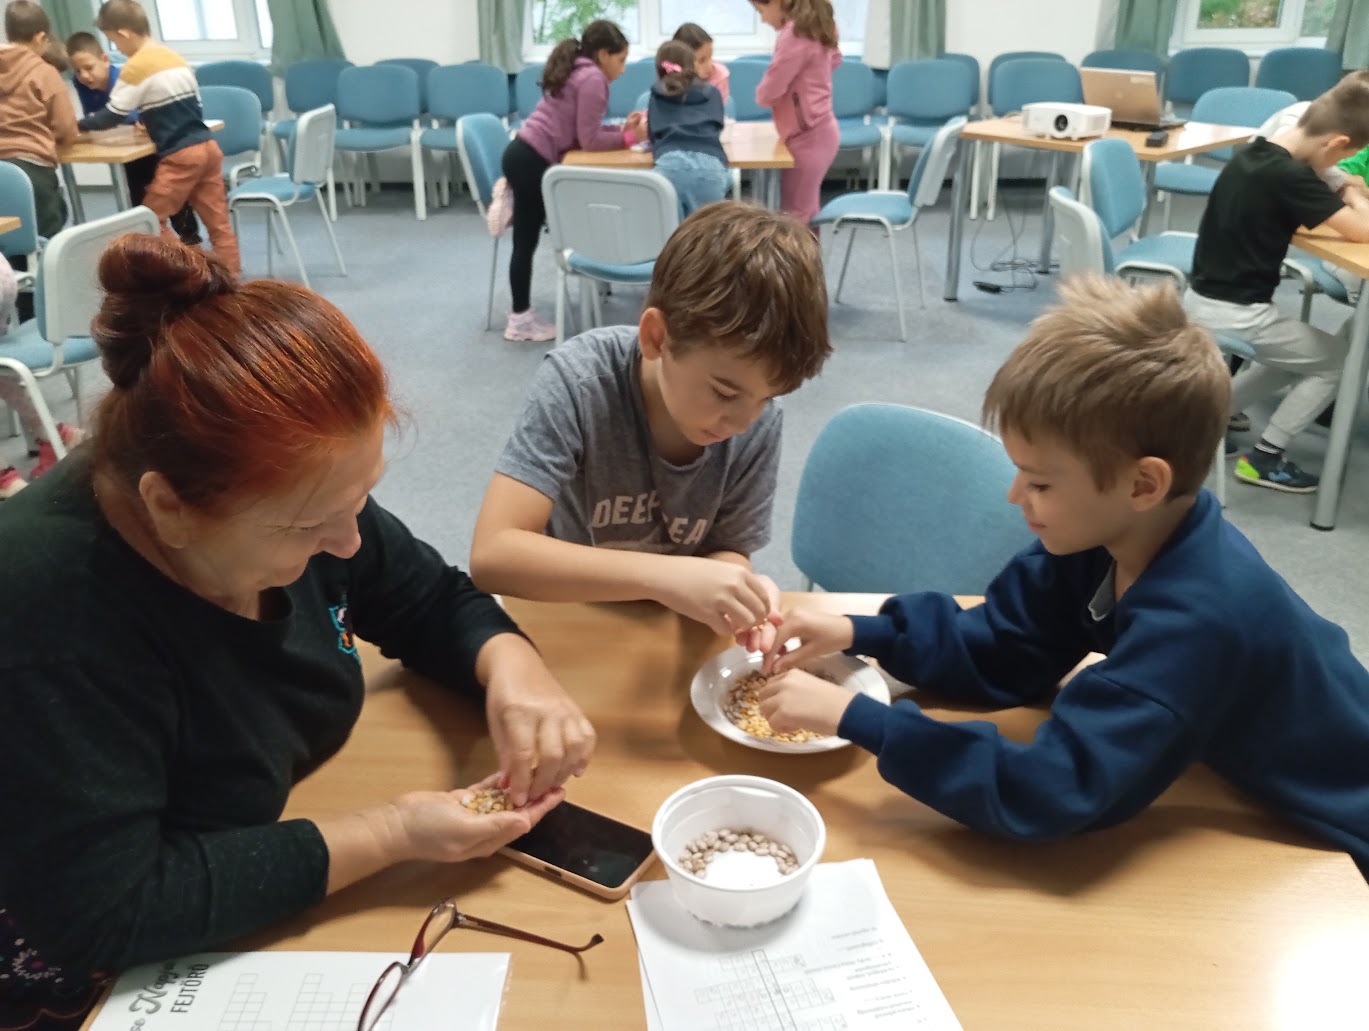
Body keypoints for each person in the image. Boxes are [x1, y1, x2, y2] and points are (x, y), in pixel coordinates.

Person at [0, 235, 596, 1031]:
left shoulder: (294, 488)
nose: (349, 543)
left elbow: (425, 596)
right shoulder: (50, 617)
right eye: (313, 525)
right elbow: (109, 908)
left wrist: (514, 669)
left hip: (262, 849)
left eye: (361, 500)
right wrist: (391, 830)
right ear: (170, 509)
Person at [757, 275, 1369, 879]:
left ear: (1142, 484)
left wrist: (858, 718)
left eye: (1041, 483)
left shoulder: (1200, 622)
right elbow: (1005, 647)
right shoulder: (1108, 535)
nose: (1014, 495)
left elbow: (1052, 790)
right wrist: (860, 631)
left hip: (1341, 821)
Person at [471, 201, 831, 650]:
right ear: (657, 338)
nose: (744, 422)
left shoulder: (756, 419)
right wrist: (665, 577)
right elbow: (493, 554)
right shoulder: (579, 382)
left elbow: (727, 548)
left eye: (767, 398)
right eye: (724, 393)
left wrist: (737, 585)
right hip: (570, 617)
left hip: (669, 633)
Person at [1183, 72, 1369, 493]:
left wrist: (1339, 180)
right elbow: (1362, 230)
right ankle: (1266, 456)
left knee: (1298, 355)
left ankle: (1203, 422)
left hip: (1204, 299)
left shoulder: (1253, 156)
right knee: (1338, 361)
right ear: (1336, 144)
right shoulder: (1293, 178)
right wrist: (1354, 191)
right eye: (1345, 157)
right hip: (1238, 315)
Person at [496, 20, 643, 343]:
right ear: (603, 55)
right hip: (532, 161)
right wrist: (631, 137)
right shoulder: (594, 79)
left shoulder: (578, 69)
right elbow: (590, 140)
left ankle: (521, 313)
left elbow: (581, 132)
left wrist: (622, 132)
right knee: (526, 241)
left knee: (526, 240)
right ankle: (519, 321)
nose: (623, 69)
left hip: (523, 153)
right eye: (620, 60)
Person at [76, 0, 240, 275]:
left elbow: (113, 114)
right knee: (219, 227)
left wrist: (80, 125)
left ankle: (187, 272)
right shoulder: (175, 59)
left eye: (114, 40)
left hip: (181, 155)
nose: (116, 48)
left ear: (124, 33)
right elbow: (194, 106)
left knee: (149, 221)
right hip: (208, 147)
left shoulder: (136, 67)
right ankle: (231, 281)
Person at [65, 30, 200, 245]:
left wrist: (102, 120)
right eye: (78, 71)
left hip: (153, 146)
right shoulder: (80, 83)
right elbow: (96, 115)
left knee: (168, 192)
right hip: (125, 148)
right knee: (138, 198)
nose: (84, 76)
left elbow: (126, 115)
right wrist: (100, 120)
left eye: (89, 68)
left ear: (104, 59)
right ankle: (149, 244)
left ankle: (190, 238)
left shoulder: (123, 78)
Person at [0, 1, 78, 322]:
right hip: (32, 168)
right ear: (40, 36)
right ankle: (51, 317)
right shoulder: (43, 71)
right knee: (46, 240)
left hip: (1, 170)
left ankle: (21, 312)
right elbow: (67, 129)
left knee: (9, 241)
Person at [750, 0, 841, 224]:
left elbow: (767, 93)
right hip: (819, 129)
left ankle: (804, 250)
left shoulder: (795, 34)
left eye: (761, 11)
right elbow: (836, 59)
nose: (762, 19)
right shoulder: (817, 24)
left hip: (808, 135)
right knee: (804, 212)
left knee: (795, 217)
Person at [648, 40, 729, 217]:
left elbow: (653, 134)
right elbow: (717, 126)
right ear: (693, 66)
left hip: (670, 166)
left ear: (659, 70)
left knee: (670, 229)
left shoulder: (657, 94)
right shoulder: (712, 93)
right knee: (707, 229)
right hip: (710, 167)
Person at [673, 22, 730, 104]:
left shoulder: (719, 75)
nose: (709, 65)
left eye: (710, 56)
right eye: (702, 60)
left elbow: (716, 108)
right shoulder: (671, 75)